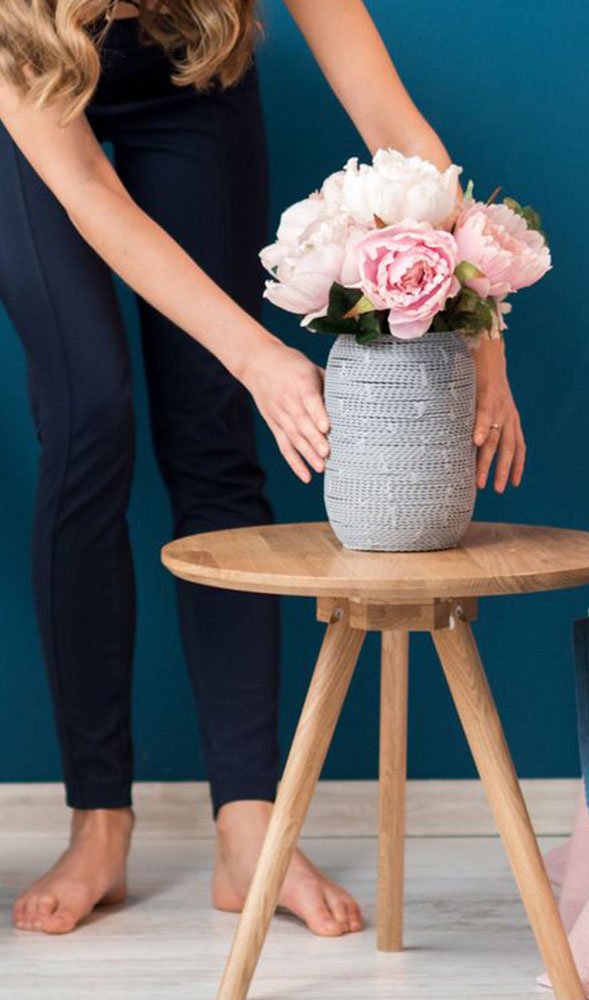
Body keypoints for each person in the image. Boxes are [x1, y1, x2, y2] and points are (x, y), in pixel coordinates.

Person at [0, 0, 526, 937]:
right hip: (31, 107)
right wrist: (260, 358)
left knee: (213, 437)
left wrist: (482, 327)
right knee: (89, 417)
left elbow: (397, 130)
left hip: (191, 73)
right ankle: (97, 820)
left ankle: (252, 829)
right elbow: (88, 194)